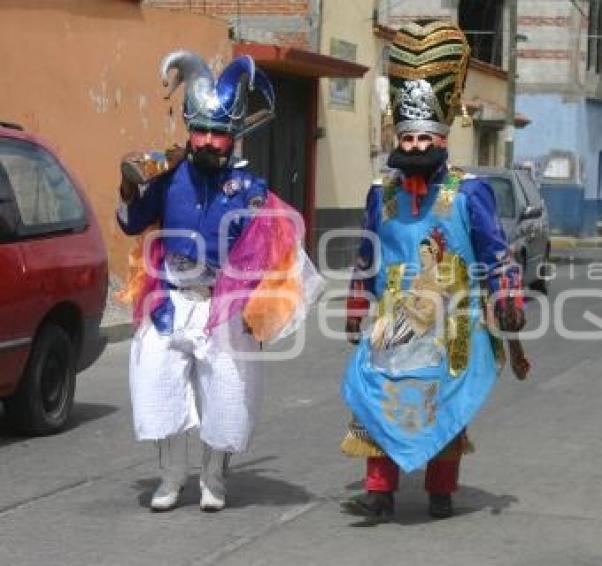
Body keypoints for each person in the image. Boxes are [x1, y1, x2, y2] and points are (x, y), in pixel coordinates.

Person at [116, 51, 321, 512]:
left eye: (219, 133)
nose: (208, 141)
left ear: (235, 135)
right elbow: (132, 224)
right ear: (189, 127)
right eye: (200, 130)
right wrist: (130, 189)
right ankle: (170, 479)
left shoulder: (252, 191)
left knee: (228, 396)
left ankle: (213, 478)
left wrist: (259, 309)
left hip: (226, 308)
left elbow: (273, 253)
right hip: (170, 300)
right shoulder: (166, 179)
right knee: (156, 386)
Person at [338, 20, 525, 521]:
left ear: (441, 138)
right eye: (408, 136)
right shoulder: (382, 193)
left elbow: (495, 251)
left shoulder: (469, 192)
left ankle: (442, 490)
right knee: (379, 402)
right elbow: (366, 254)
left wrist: (507, 295)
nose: (416, 145)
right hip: (395, 321)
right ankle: (379, 491)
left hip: (452, 323)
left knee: (443, 405)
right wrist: (357, 304)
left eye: (424, 136)